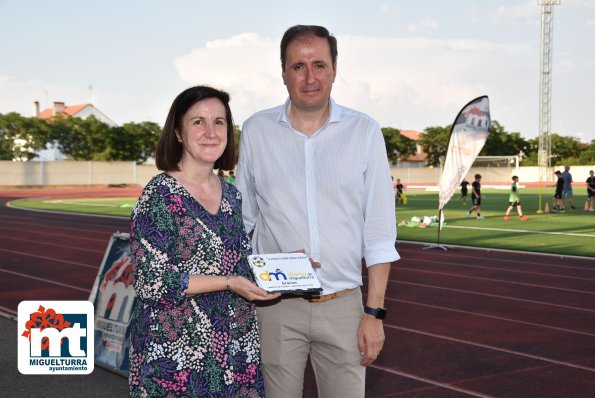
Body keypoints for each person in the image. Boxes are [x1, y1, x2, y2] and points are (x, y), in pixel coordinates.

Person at [236, 25, 399, 398]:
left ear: (335, 69)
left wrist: (373, 315)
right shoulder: (257, 131)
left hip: (344, 306)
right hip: (276, 308)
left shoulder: (365, 132)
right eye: (298, 66)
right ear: (283, 73)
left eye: (319, 65)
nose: (310, 78)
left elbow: (378, 233)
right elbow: (241, 222)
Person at [128, 86, 280, 398]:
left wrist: (288, 265)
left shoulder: (232, 195)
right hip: (178, 359)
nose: (211, 132)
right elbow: (149, 282)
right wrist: (227, 282)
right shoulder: (160, 195)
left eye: (219, 122)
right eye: (198, 122)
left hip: (234, 353)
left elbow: (239, 265)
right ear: (178, 133)